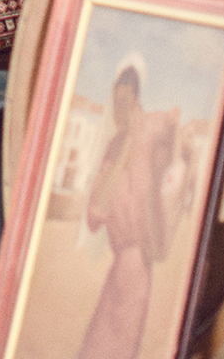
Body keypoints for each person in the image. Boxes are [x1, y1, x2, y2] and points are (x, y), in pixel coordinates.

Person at [77, 57, 198, 359]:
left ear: (136, 99)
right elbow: (94, 215)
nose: (119, 110)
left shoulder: (155, 126)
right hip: (121, 263)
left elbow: (180, 151)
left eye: (125, 101)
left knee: (120, 339)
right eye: (115, 102)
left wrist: (177, 136)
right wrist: (125, 147)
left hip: (138, 257)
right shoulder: (114, 147)